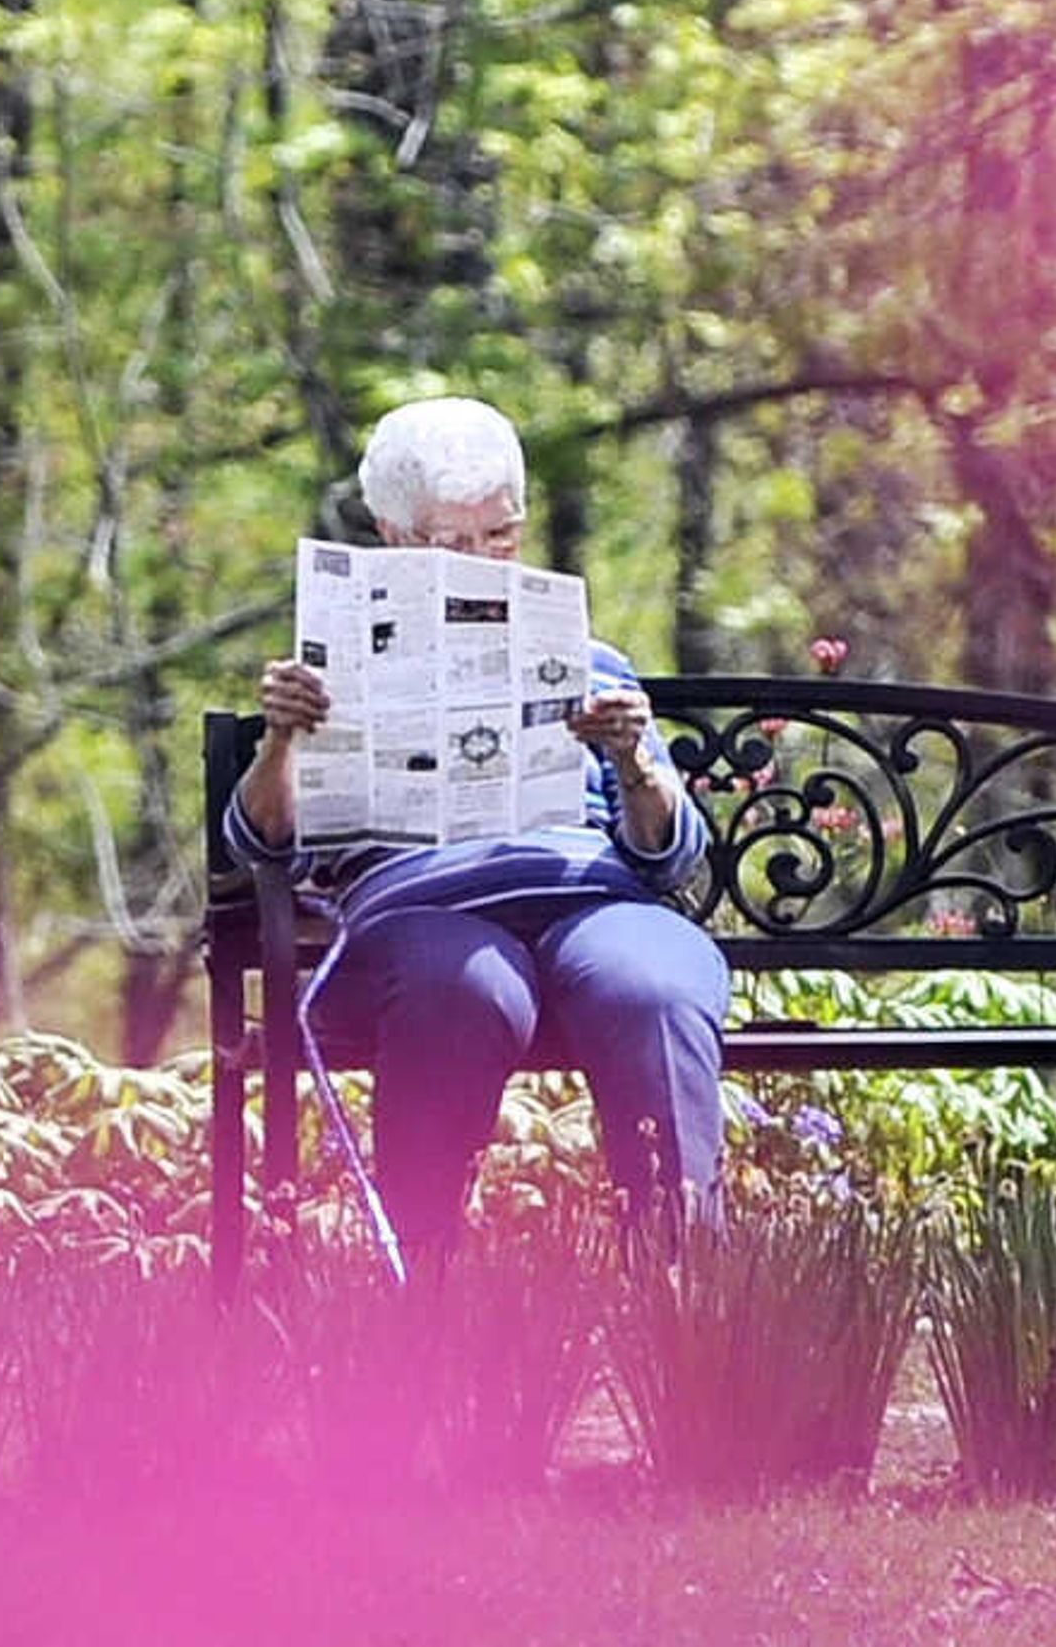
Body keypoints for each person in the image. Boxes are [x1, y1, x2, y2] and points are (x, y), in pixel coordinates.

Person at [223, 396, 726, 1260]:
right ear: (393, 536)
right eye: (454, 545)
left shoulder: (589, 660)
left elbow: (672, 855)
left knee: (654, 983)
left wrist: (636, 758)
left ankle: (689, 1290)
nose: (484, 561)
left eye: (501, 536)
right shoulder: (335, 674)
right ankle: (424, 1290)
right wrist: (283, 741)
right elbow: (261, 847)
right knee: (461, 989)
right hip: (423, 916)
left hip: (589, 900)